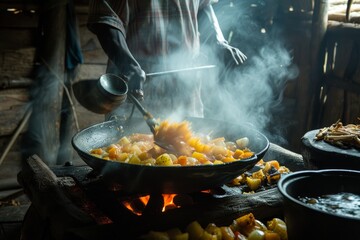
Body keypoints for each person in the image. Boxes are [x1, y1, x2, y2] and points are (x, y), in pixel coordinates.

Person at [87, 0, 247, 120]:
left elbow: (203, 5)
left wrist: (219, 41)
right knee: (129, 154)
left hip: (186, 93)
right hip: (138, 91)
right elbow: (105, 19)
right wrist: (129, 66)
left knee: (190, 155)